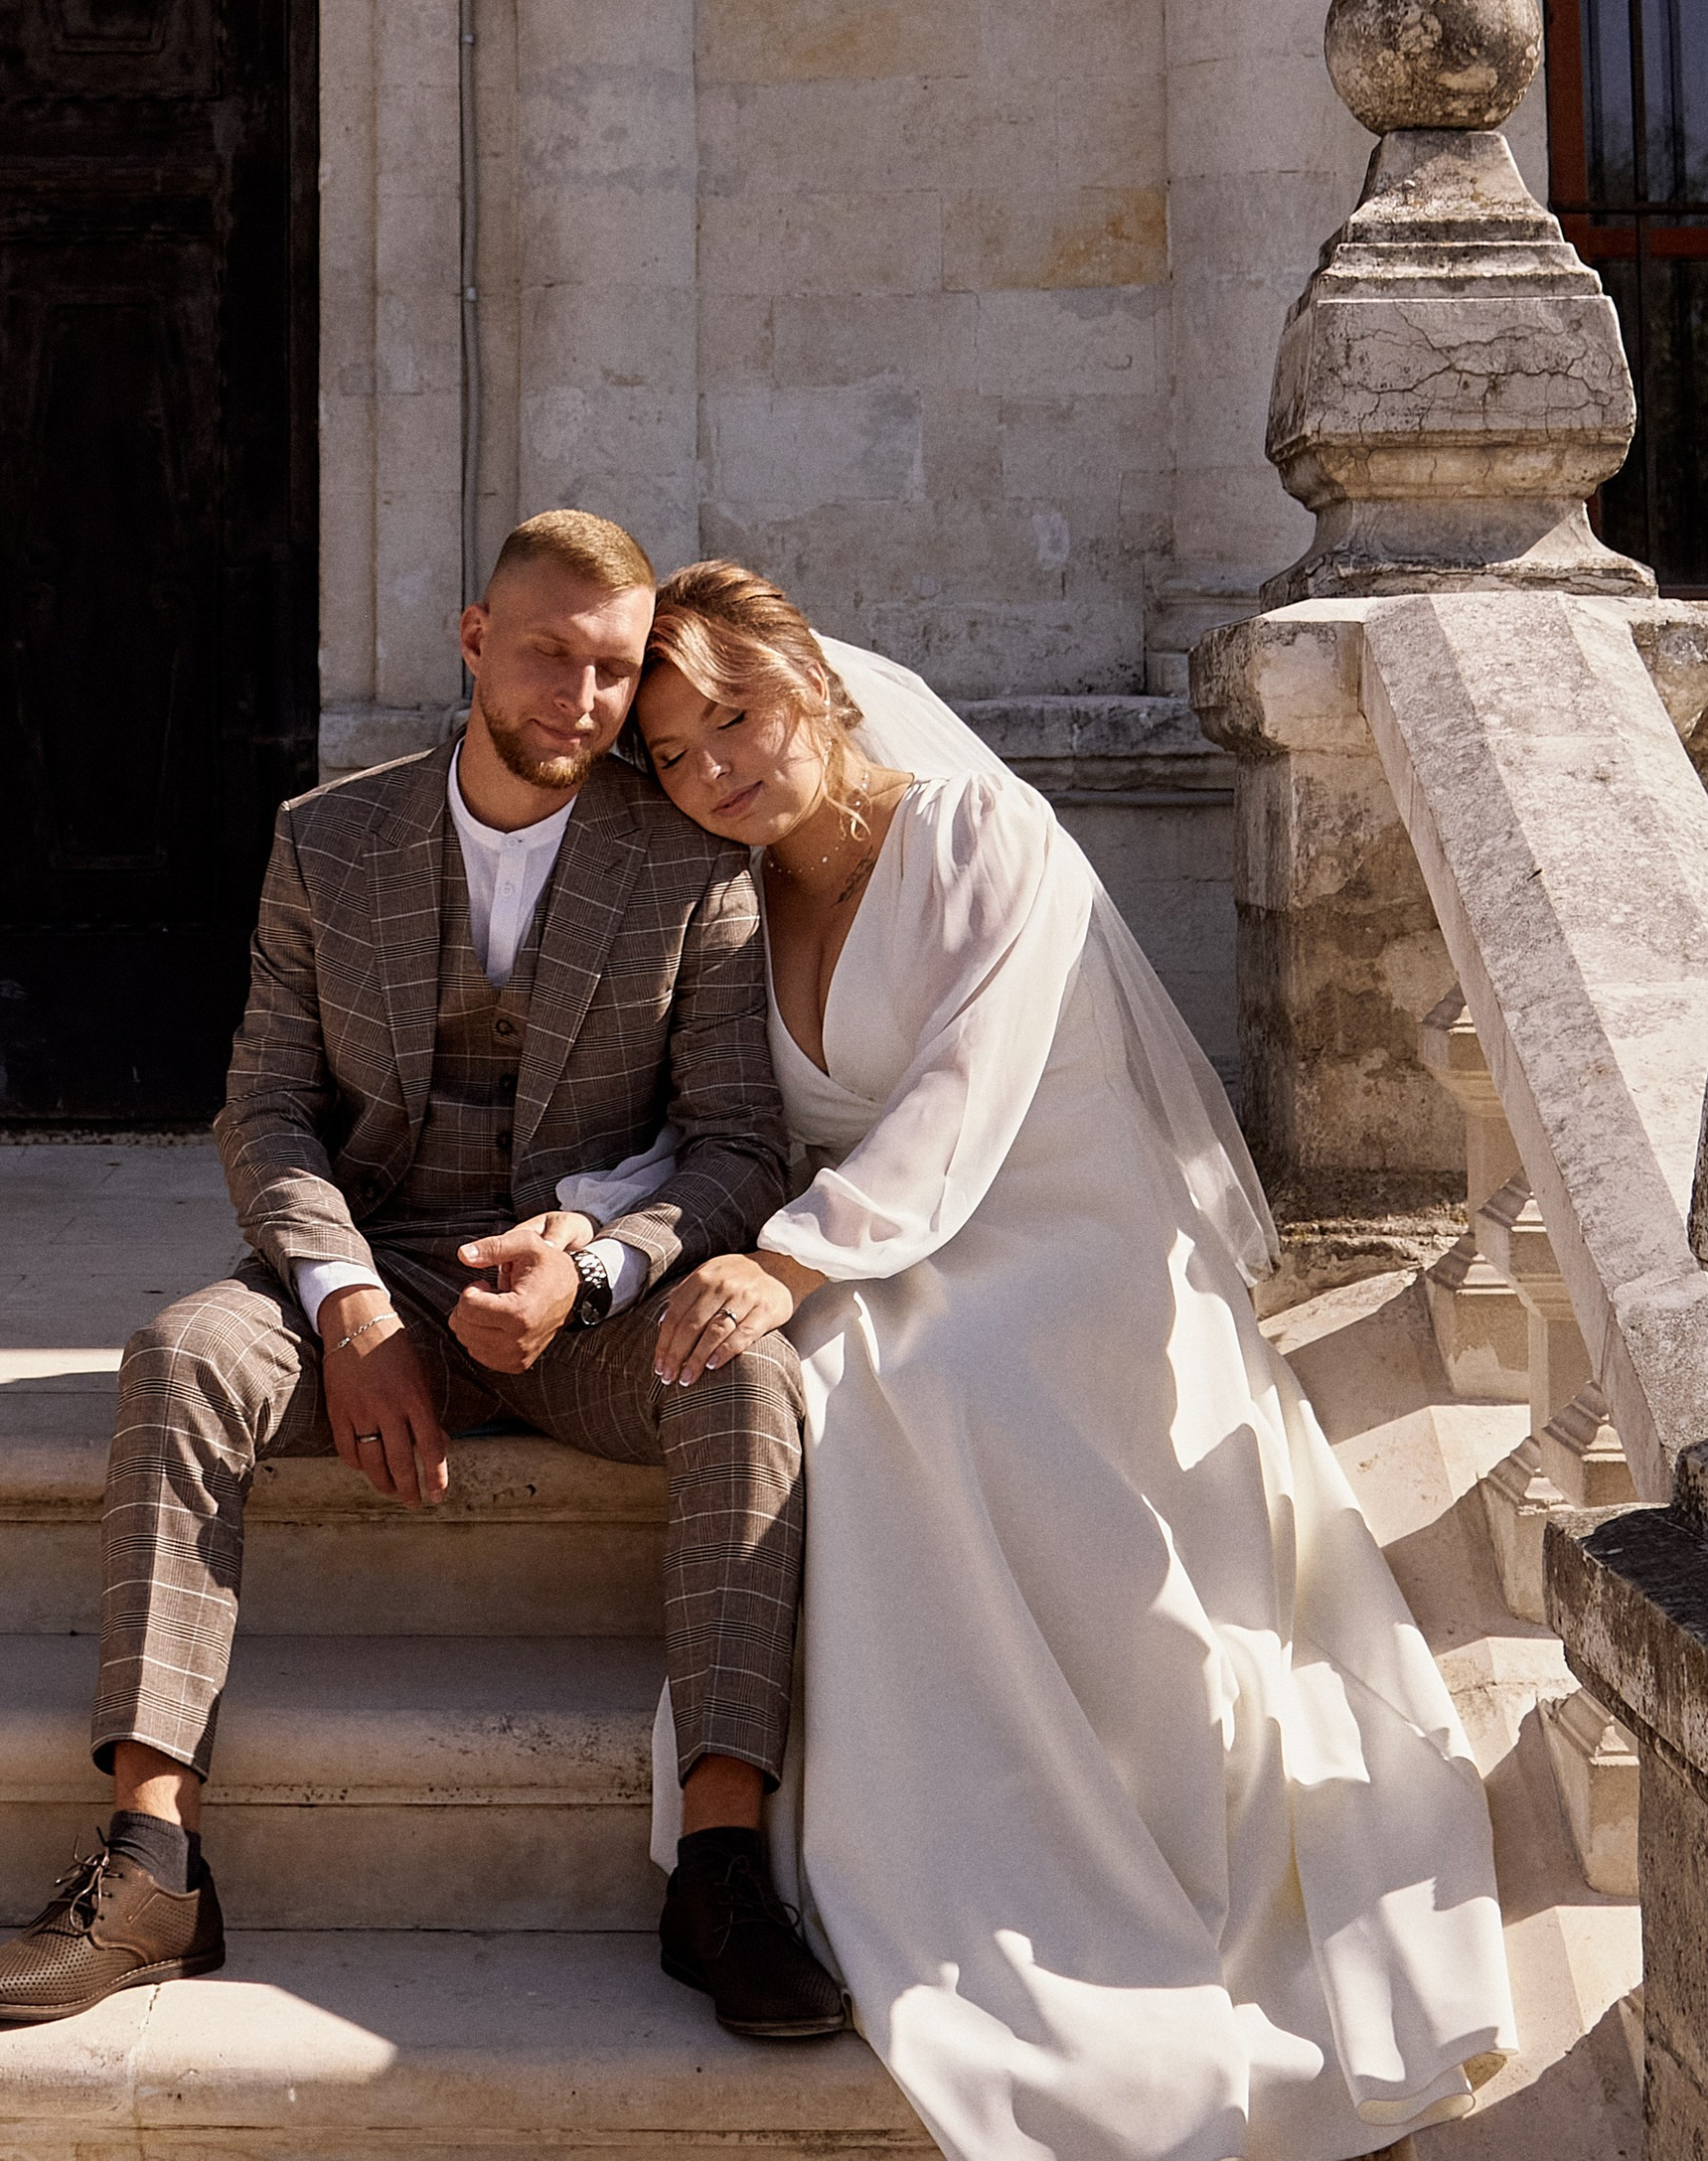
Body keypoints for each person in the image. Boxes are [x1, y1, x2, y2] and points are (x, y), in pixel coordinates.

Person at [630, 559, 1515, 2161]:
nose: (719, 772)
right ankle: (912, 1843)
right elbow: (710, 1119)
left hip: (1066, 1225)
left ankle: (1081, 1868)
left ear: (814, 682)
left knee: (917, 1385)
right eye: (680, 754)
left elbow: (968, 1093)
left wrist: (786, 1260)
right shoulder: (730, 905)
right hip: (875, 1241)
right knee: (821, 1385)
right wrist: (600, 1232)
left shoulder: (982, 833)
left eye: (738, 717)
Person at [0, 510, 848, 2041]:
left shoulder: (691, 859)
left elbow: (739, 1146)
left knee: (750, 1376)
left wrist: (607, 1273)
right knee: (183, 1350)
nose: (581, 695)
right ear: (474, 639)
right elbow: (268, 1107)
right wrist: (349, 1302)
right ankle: (154, 1857)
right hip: (374, 1271)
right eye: (551, 651)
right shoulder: (328, 837)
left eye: (616, 672)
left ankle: (720, 1868)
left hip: (579, 1309)